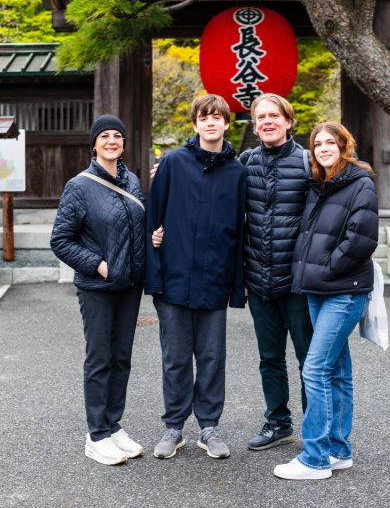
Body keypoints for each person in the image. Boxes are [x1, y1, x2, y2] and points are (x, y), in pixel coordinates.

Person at [274, 122, 378, 480]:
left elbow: (361, 240)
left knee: (314, 369)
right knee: (336, 370)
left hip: (344, 291)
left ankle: (315, 458)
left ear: (344, 145)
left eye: (329, 142)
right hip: (320, 291)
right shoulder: (320, 185)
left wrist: (327, 270)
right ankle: (338, 450)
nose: (322, 147)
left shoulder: (359, 183)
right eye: (317, 143)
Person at [146, 94, 246, 460]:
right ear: (195, 124)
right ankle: (174, 426)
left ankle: (209, 426)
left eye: (217, 117)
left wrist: (237, 288)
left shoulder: (237, 172)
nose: (210, 123)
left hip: (214, 280)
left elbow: (239, 231)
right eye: (204, 117)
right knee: (174, 357)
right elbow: (152, 221)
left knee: (211, 356)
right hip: (174, 279)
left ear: (226, 123)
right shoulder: (172, 163)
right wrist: (154, 278)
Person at [51, 115, 145, 466]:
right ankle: (96, 435)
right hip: (98, 286)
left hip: (130, 285)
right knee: (99, 358)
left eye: (117, 136)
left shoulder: (132, 180)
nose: (111, 141)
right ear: (94, 144)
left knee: (121, 357)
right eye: (104, 136)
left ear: (123, 143)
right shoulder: (80, 185)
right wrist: (97, 265)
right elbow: (60, 239)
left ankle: (113, 424)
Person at [239, 94, 313, 451]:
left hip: (298, 282)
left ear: (288, 121)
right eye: (260, 117)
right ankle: (278, 422)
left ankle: (315, 427)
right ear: (254, 125)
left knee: (308, 358)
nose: (266, 121)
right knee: (270, 358)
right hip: (259, 279)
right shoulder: (246, 162)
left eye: (273, 116)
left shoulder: (307, 162)